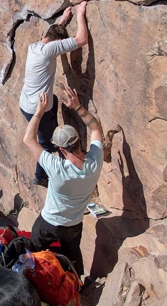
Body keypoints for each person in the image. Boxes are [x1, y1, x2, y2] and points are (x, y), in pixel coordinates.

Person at [23, 87, 104, 276]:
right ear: (77, 141)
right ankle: (74, 284)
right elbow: (96, 129)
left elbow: (28, 139)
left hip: (49, 221)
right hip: (73, 223)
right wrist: (78, 107)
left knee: (34, 248)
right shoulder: (94, 163)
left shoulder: (56, 167)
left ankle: (33, 277)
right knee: (72, 256)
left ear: (62, 149)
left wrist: (39, 112)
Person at [19, 1, 89, 187]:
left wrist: (63, 21)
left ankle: (54, 139)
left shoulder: (35, 46)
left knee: (55, 101)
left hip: (27, 102)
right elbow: (82, 39)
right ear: (58, 42)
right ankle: (41, 176)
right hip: (38, 107)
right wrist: (81, 14)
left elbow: (50, 34)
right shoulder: (50, 50)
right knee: (47, 144)